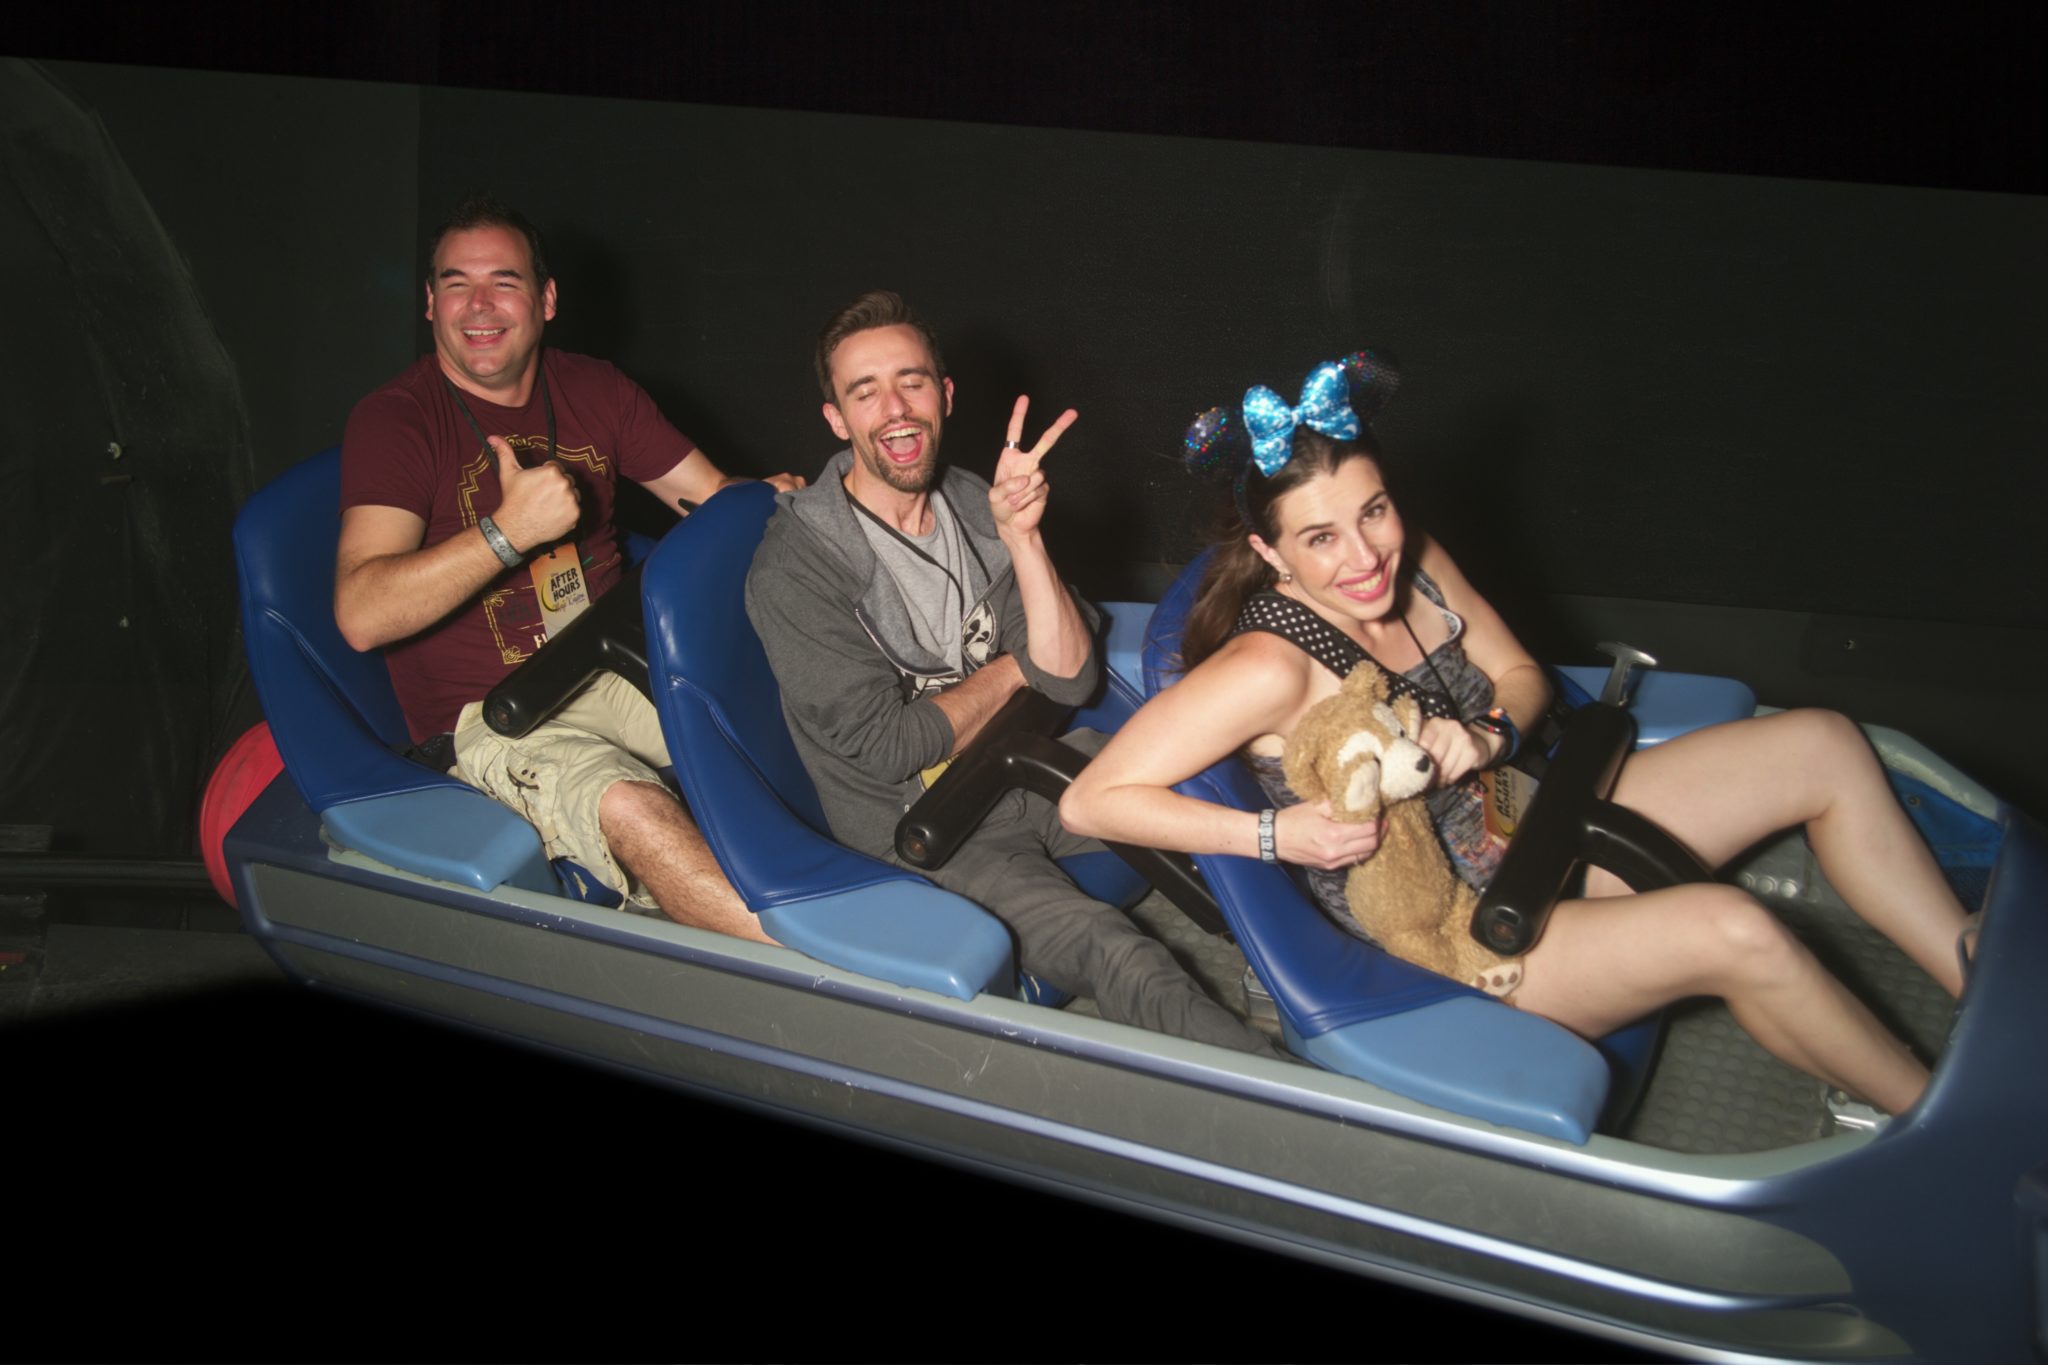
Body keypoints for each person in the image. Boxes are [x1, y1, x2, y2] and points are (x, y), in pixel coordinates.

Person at [1060, 352, 1972, 1115]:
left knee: (1822, 743)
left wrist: (1490, 734)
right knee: (1741, 932)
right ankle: (1944, 1117)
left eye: (1374, 511)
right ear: (1270, 553)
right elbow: (1092, 799)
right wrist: (1273, 834)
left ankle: (1975, 979)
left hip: (1529, 818)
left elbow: (1524, 676)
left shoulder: (1411, 562)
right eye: (1321, 538)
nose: (1365, 556)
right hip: (1461, 929)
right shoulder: (1269, 668)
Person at [744, 290, 1278, 1057]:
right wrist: (1012, 668)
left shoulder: (974, 500)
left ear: (946, 394)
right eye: (865, 392)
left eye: (912, 381)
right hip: (928, 828)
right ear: (835, 418)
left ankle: (1298, 977)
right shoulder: (796, 567)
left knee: (1218, 780)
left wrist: (1023, 540)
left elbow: (1067, 676)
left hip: (1025, 770)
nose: (895, 408)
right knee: (1119, 953)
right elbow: (896, 745)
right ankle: (1274, 1101)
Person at [334, 195, 801, 941]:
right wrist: (505, 533)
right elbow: (360, 612)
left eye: (505, 282)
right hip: (496, 716)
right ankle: (824, 976)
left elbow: (708, 500)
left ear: (546, 300)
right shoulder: (397, 419)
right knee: (633, 807)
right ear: (429, 303)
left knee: (795, 731)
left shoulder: (596, 389)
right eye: (456, 283)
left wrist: (772, 498)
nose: (478, 306)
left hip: (615, 667)